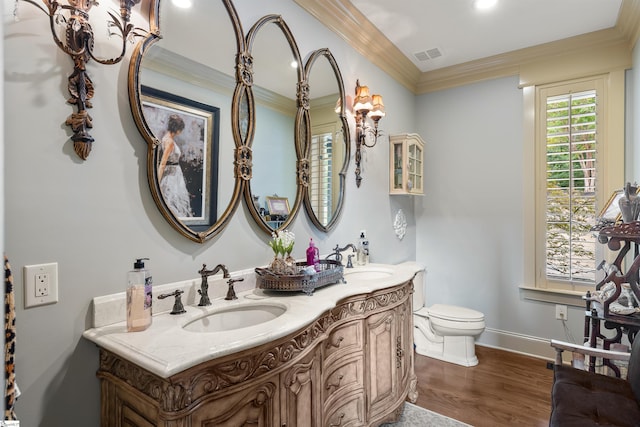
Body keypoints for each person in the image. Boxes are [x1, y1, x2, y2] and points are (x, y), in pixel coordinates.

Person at [157, 114, 193, 218]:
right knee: (174, 200)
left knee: (175, 201)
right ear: (177, 129)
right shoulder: (169, 142)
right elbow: (163, 163)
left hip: (174, 173)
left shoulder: (165, 139)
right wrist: (158, 180)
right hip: (172, 176)